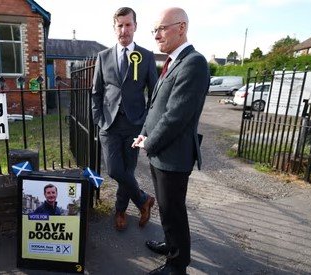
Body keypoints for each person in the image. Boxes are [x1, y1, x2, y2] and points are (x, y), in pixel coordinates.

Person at [131, 7, 210, 275]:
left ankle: (177, 264)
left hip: (173, 155)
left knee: (174, 210)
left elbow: (176, 115)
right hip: (160, 152)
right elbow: (156, 107)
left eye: (162, 28)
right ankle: (171, 244)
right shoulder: (173, 61)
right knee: (166, 207)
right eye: (154, 30)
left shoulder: (194, 62)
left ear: (182, 27)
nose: (156, 35)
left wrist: (150, 143)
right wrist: (144, 133)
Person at [91, 7, 158, 231]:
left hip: (134, 124)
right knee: (114, 170)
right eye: (120, 25)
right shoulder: (103, 57)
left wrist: (146, 125)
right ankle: (143, 200)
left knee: (127, 171)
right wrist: (98, 118)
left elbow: (154, 95)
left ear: (135, 26)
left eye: (128, 25)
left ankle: (120, 211)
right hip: (109, 124)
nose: (124, 29)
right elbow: (97, 92)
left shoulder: (146, 57)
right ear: (114, 28)